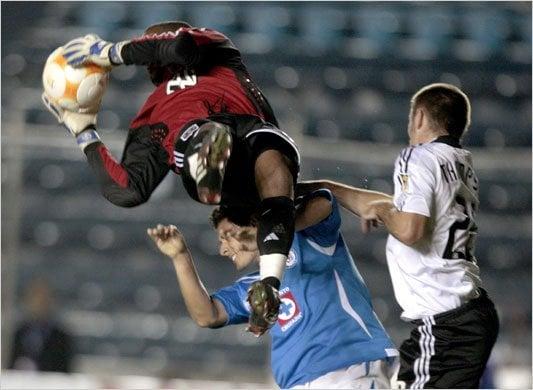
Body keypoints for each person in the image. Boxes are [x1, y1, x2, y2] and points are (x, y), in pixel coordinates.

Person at [41, 21, 300, 331]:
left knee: (270, 164)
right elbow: (126, 190)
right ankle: (205, 147)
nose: (152, 59)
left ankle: (269, 281)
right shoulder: (149, 116)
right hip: (224, 178)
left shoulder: (216, 51)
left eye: (151, 50)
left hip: (245, 133)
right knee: (265, 177)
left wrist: (108, 52)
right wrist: (83, 130)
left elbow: (179, 47)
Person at [299, 83, 499, 388]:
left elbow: (409, 228)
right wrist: (328, 188)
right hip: (466, 314)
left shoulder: (416, 157)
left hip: (443, 322)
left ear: (419, 117)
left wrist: (384, 213)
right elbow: (397, 210)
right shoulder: (459, 163)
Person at [147, 188, 399, 389]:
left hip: (348, 372)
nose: (223, 248)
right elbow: (207, 315)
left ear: (253, 220)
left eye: (227, 234)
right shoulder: (254, 287)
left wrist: (269, 227)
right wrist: (180, 256)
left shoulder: (310, 240)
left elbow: (324, 203)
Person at [9, 278, 74, 372]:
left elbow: (65, 370)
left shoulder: (61, 338)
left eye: (43, 299)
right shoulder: (17, 334)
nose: (39, 303)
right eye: (35, 298)